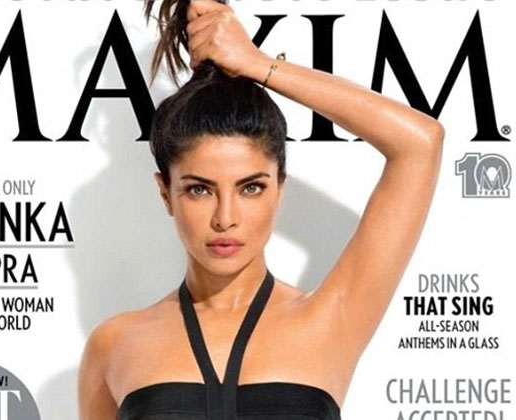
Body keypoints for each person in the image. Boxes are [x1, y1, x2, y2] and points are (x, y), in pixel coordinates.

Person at [78, 0, 444, 419]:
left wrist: (255, 64)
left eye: (251, 187)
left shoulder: (331, 318)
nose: (225, 218)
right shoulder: (114, 344)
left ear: (279, 189)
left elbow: (420, 143)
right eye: (199, 190)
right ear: (166, 194)